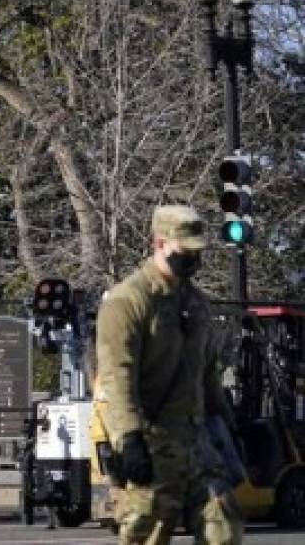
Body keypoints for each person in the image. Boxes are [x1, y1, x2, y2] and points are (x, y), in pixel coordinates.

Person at [95, 205, 242, 545]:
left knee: (224, 528)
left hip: (197, 441)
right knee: (148, 534)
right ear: (159, 243)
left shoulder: (196, 301)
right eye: (185, 250)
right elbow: (117, 376)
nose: (193, 258)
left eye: (197, 251)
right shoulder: (128, 301)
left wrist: (225, 419)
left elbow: (206, 370)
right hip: (152, 443)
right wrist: (129, 439)